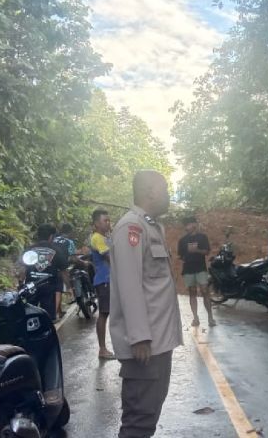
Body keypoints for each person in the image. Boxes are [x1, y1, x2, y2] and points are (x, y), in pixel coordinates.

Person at [109, 170, 183, 438]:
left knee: (148, 417)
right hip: (145, 346)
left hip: (160, 343)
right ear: (150, 191)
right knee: (138, 422)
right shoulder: (131, 227)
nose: (168, 195)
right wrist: (139, 336)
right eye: (164, 188)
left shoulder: (152, 226)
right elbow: (129, 284)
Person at [21, 223, 69, 321]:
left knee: (29, 315)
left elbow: (23, 268)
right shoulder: (56, 250)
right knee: (48, 319)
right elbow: (64, 271)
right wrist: (69, 286)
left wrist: (21, 283)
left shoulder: (29, 249)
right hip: (48, 288)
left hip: (31, 287)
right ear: (51, 236)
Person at [177, 216, 214, 327]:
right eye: (185, 225)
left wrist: (196, 250)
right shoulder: (182, 240)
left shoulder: (202, 237)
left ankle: (210, 318)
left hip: (201, 268)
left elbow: (207, 252)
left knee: (205, 291)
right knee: (192, 292)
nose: (186, 227)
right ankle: (195, 318)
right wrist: (186, 257)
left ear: (194, 225)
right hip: (188, 269)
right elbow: (181, 256)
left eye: (188, 224)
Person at [90, 208, 116, 359]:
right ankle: (102, 349)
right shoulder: (97, 238)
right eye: (105, 221)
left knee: (110, 313)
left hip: (109, 280)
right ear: (96, 223)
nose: (108, 223)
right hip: (105, 280)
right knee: (104, 313)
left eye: (108, 220)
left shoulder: (105, 237)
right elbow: (110, 257)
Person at [53, 222, 77, 319]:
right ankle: (55, 313)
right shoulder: (69, 242)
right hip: (61, 267)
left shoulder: (53, 239)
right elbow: (72, 257)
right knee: (59, 289)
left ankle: (59, 311)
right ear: (70, 232)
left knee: (55, 289)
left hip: (50, 267)